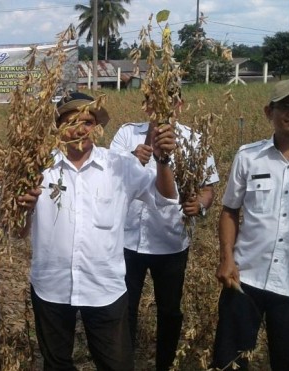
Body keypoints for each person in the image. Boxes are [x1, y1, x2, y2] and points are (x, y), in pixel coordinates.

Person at [18, 92, 179, 371]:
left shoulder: (120, 166)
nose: (80, 129)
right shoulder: (37, 169)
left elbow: (165, 198)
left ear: (97, 127)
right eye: (71, 121)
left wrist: (163, 160)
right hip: (51, 286)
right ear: (58, 127)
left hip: (105, 288)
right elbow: (19, 232)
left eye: (88, 122)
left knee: (116, 364)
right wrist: (23, 208)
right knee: (56, 364)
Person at [211, 80, 289, 370]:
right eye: (286, 106)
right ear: (269, 111)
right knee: (228, 360)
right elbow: (230, 210)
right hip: (245, 277)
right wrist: (226, 258)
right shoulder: (248, 156)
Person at [110, 95, 219, 371]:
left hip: (170, 240)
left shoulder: (194, 140)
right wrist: (133, 158)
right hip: (127, 240)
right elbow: (108, 175)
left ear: (180, 106)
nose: (161, 109)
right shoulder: (126, 134)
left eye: (170, 103)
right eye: (154, 103)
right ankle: (125, 363)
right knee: (125, 309)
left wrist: (201, 206)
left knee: (169, 311)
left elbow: (208, 189)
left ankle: (166, 365)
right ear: (146, 106)